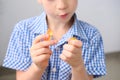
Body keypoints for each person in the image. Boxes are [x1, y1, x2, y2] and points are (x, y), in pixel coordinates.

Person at [3, 0, 106, 80]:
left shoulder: (92, 36)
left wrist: (78, 66)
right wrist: (37, 67)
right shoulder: (22, 30)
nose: (62, 5)